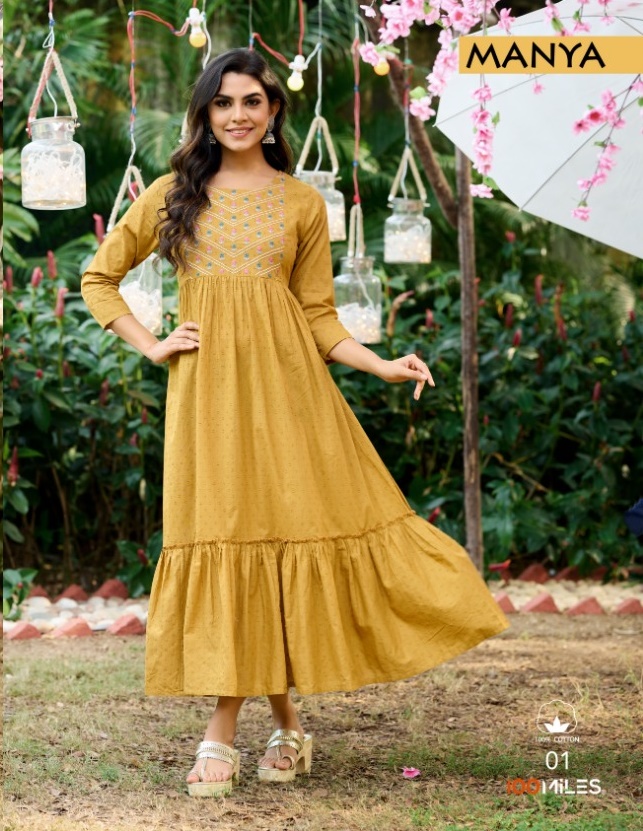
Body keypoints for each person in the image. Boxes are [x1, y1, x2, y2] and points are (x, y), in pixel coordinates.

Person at [81, 47, 509, 798]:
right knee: (233, 535)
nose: (238, 115)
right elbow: (99, 276)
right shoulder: (172, 195)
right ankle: (282, 722)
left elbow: (317, 316)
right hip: (209, 397)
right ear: (205, 113)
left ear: (275, 110)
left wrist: (380, 364)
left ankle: (225, 732)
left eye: (252, 101)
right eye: (223, 102)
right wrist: (152, 344)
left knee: (280, 533)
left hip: (291, 396)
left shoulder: (303, 204)